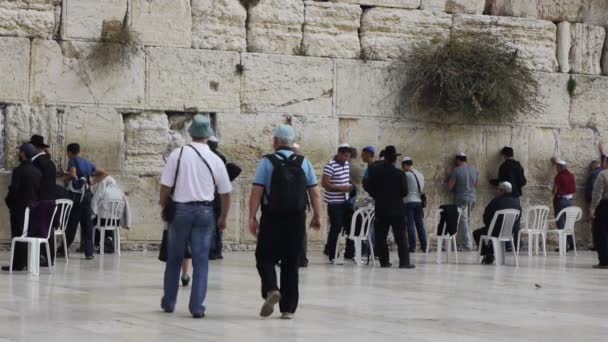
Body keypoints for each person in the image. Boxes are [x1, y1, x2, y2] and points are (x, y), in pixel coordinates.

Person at [159, 114, 232, 318]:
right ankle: (197, 307)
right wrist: (223, 217)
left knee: (174, 258)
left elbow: (165, 187)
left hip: (180, 211)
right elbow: (226, 193)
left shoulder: (178, 154)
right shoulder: (215, 159)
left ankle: (169, 302)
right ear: (208, 136)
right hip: (205, 212)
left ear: (190, 133)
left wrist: (164, 207)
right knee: (201, 261)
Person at [248, 125, 322, 319]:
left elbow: (257, 190)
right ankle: (288, 309)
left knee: (264, 256)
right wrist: (318, 215)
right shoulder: (304, 162)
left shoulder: (267, 162)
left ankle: (272, 288)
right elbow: (314, 192)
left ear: (275, 142)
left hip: (272, 216)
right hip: (296, 219)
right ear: (292, 143)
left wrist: (251, 216)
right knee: (291, 263)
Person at [365, 146, 414, 269]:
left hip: (381, 208)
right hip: (397, 209)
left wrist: (378, 195)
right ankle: (404, 262)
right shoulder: (400, 174)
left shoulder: (376, 172)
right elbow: (405, 192)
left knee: (381, 236)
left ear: (384, 157)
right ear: (395, 159)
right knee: (401, 236)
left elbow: (369, 187)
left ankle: (384, 261)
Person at [59, 143, 107, 260]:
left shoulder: (72, 161)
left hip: (76, 197)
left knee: (72, 223)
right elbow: (104, 173)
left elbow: (73, 174)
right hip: (87, 195)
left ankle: (63, 249)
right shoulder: (87, 162)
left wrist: (67, 176)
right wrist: (92, 182)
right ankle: (89, 252)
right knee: (87, 224)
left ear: (69, 152)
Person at [2, 144, 42, 271]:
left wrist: (8, 202)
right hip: (33, 207)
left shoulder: (19, 170)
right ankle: (24, 261)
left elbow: (14, 190)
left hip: (19, 207)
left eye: (20, 152)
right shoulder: (37, 171)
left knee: (18, 234)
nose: (18, 154)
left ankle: (18, 264)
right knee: (26, 234)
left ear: (23, 154)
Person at [473, 182, 521, 265]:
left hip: (495, 231)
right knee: (489, 232)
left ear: (503, 191)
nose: (496, 191)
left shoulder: (496, 201)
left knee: (477, 233)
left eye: (498, 190)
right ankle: (491, 253)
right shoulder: (516, 202)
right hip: (509, 232)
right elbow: (518, 219)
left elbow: (486, 217)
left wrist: (490, 226)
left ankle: (489, 254)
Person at [29, 135, 58, 266]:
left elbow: (35, 183)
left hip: (39, 200)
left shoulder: (36, 163)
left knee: (38, 229)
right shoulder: (50, 162)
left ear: (35, 148)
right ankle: (49, 257)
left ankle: (40, 256)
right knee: (48, 229)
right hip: (50, 200)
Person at [322, 144, 354, 262]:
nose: (347, 159)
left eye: (348, 157)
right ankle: (332, 255)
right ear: (339, 154)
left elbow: (345, 178)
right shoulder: (330, 166)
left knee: (351, 227)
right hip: (334, 203)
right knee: (336, 228)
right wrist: (342, 188)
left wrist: (349, 186)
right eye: (345, 156)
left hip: (346, 201)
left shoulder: (346, 164)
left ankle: (349, 253)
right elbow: (325, 184)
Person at [91, 175, 131, 253]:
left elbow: (94, 202)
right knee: (104, 218)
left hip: (103, 221)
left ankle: (95, 244)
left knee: (93, 219)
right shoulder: (120, 192)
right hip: (116, 221)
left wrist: (93, 213)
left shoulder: (103, 190)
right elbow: (127, 208)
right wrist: (127, 223)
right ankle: (108, 239)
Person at [448, 152, 478, 251]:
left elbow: (450, 187)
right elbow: (476, 185)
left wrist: (448, 178)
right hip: (472, 198)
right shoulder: (474, 170)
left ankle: (467, 245)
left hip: (461, 198)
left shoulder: (456, 170)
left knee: (463, 221)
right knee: (467, 221)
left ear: (458, 160)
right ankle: (466, 243)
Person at [402, 157, 427, 252]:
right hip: (419, 202)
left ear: (404, 165)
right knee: (420, 224)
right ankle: (424, 246)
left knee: (410, 225)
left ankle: (412, 246)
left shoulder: (406, 174)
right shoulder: (420, 175)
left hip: (409, 202)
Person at [553, 159, 576, 252]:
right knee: (568, 224)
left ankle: (564, 246)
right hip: (569, 201)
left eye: (556, 167)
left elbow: (554, 190)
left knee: (560, 223)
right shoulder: (571, 175)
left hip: (561, 201)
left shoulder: (559, 176)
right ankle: (571, 244)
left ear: (559, 167)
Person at [590, 155, 608, 268]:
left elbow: (597, 193)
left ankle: (604, 261)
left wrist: (593, 208)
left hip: (605, 206)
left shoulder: (603, 174)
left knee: (601, 234)